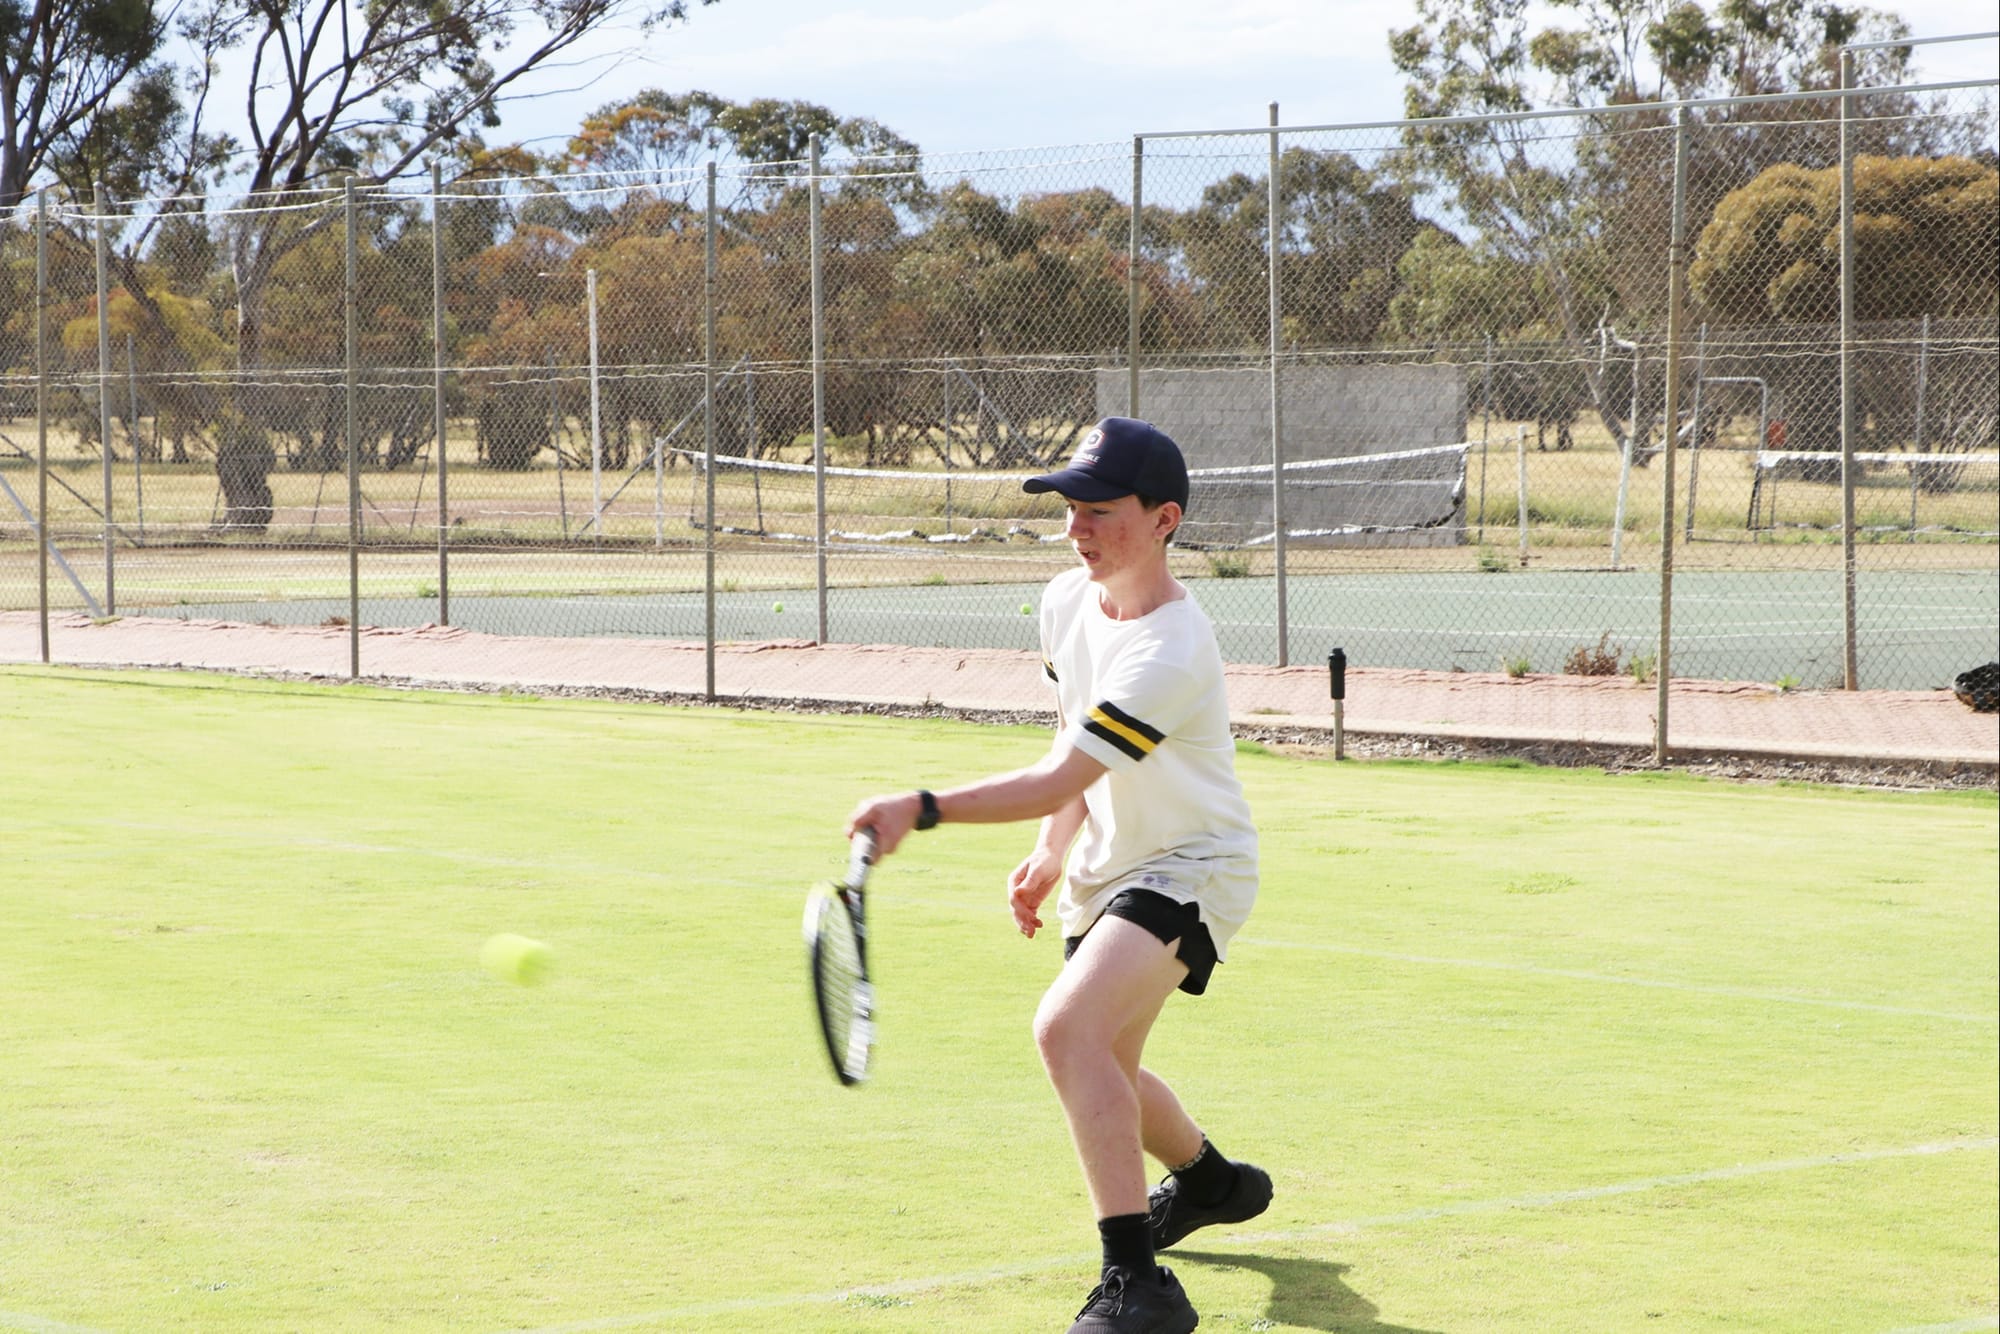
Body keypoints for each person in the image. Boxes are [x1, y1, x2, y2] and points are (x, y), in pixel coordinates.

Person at [845, 416, 1270, 1334]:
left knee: (1066, 1030)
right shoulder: (1063, 604)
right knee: (1109, 1068)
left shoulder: (1172, 648)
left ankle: (1138, 1285)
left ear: (1164, 519)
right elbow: (1073, 746)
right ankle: (1214, 1183)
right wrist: (1050, 849)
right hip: (1106, 865)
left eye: (1100, 512)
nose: (1078, 529)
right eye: (1070, 509)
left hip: (1195, 866)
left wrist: (918, 808)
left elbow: (1058, 773)